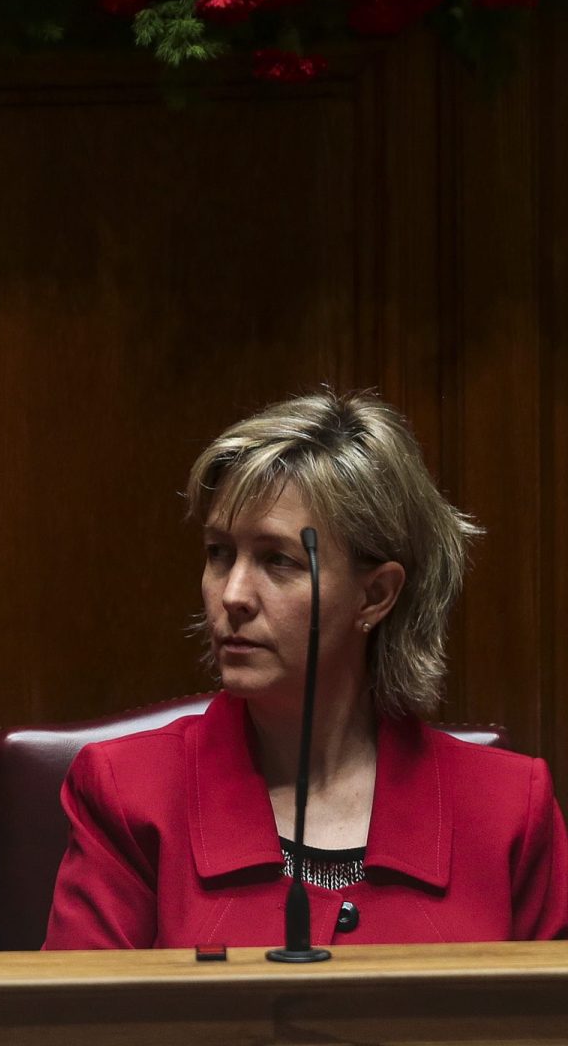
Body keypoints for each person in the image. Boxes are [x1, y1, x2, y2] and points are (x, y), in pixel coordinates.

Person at [46, 390, 568, 948]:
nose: (233, 594)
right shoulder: (129, 796)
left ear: (375, 594)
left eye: (279, 560)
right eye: (219, 553)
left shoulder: (510, 810)